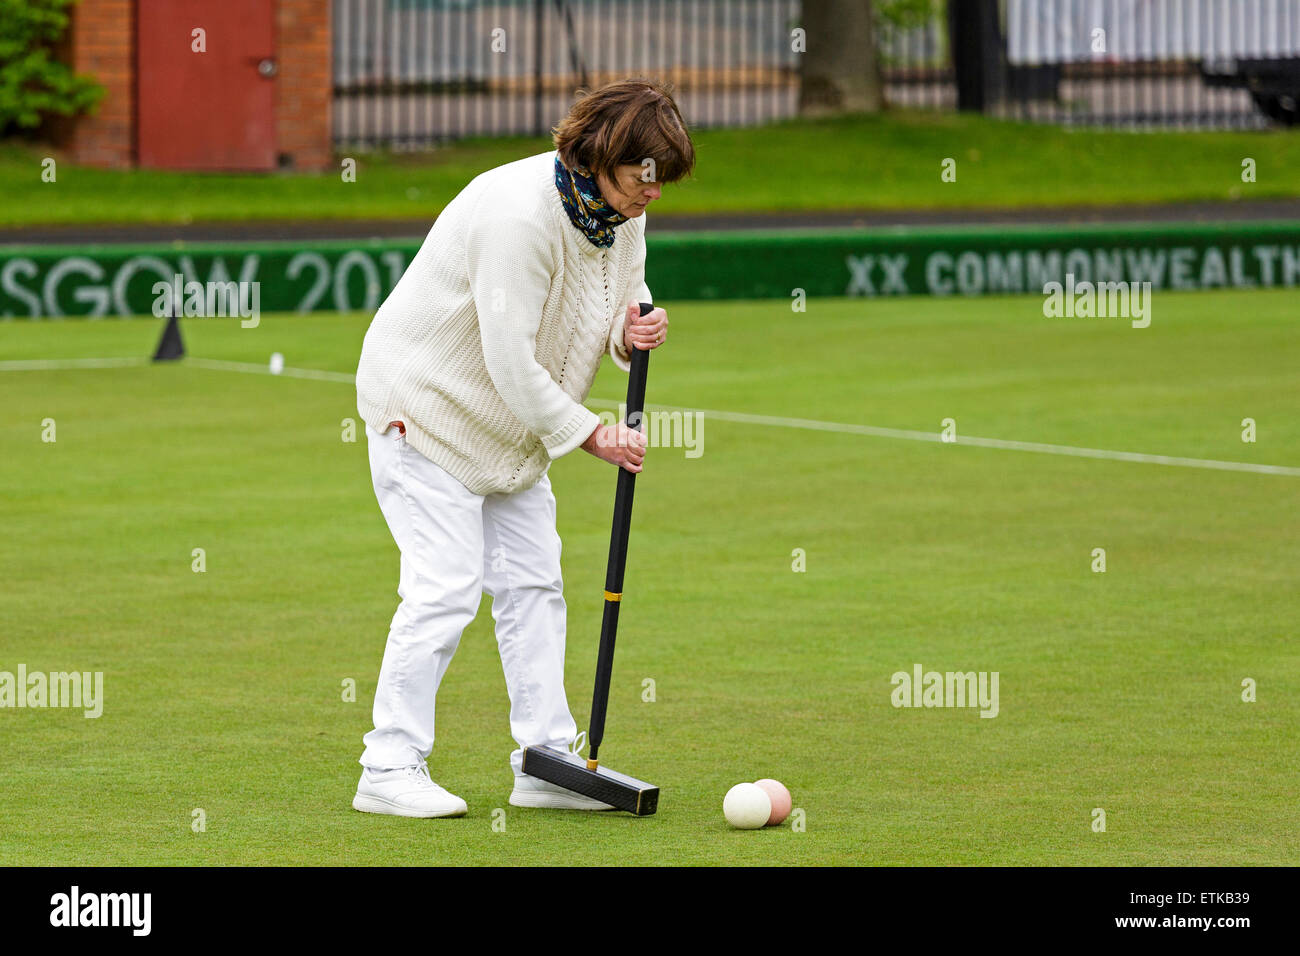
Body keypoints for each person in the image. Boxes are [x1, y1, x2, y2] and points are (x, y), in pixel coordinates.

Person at [350, 78, 696, 817]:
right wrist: (589, 433)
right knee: (445, 587)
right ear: (603, 154)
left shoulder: (620, 212)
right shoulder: (517, 215)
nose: (654, 192)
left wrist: (627, 335)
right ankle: (387, 765)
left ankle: (545, 762)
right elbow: (510, 357)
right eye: (645, 174)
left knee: (535, 587)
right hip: (430, 410)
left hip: (509, 432)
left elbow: (617, 295)